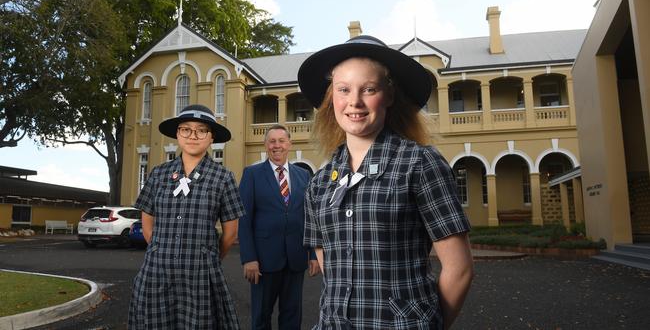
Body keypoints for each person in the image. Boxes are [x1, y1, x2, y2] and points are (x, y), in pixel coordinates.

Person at [298, 35, 474, 330]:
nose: (354, 102)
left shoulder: (419, 164)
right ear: (332, 99)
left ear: (389, 95)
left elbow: (459, 269)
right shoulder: (319, 185)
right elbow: (332, 268)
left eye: (368, 89)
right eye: (343, 90)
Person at [128, 104, 244, 329]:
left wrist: (207, 256)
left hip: (200, 274)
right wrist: (160, 250)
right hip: (156, 272)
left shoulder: (223, 177)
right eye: (186, 129)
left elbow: (230, 233)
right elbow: (147, 219)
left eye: (201, 130)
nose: (193, 135)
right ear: (177, 134)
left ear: (211, 138)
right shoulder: (159, 173)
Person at [238, 124, 320, 330]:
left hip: (295, 257)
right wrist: (249, 258)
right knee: (261, 316)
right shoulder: (252, 174)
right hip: (263, 262)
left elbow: (310, 217)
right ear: (266, 145)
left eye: (281, 141)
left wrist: (312, 254)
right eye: (272, 141)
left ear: (289, 144)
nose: (277, 146)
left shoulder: (304, 176)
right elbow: (244, 219)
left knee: (292, 317)